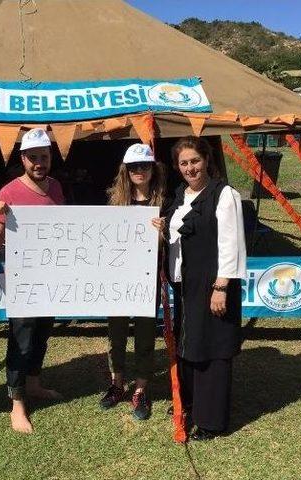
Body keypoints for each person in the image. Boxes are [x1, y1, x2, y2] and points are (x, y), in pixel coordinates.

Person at [163, 136, 246, 441]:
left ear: (207, 160)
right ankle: (190, 404)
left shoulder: (224, 195)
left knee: (212, 347)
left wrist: (221, 286)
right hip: (186, 283)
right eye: (184, 163)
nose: (190, 168)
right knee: (190, 342)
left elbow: (231, 242)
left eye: (195, 161)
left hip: (212, 284)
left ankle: (211, 421)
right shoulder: (179, 195)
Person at [0, 127, 64, 434]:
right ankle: (16, 404)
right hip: (23, 281)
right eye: (32, 158)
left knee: (42, 333)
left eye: (43, 157)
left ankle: (33, 385)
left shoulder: (56, 187)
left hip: (50, 278)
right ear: (23, 159)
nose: (38, 163)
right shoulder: (9, 192)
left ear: (50, 158)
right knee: (22, 339)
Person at [100, 143, 165, 420]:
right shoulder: (115, 201)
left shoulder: (164, 201)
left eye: (145, 166)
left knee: (145, 336)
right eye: (134, 167)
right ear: (125, 171)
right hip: (117, 280)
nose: (140, 171)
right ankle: (117, 384)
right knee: (115, 334)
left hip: (146, 281)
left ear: (153, 169)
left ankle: (141, 389)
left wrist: (163, 235)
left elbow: (173, 244)